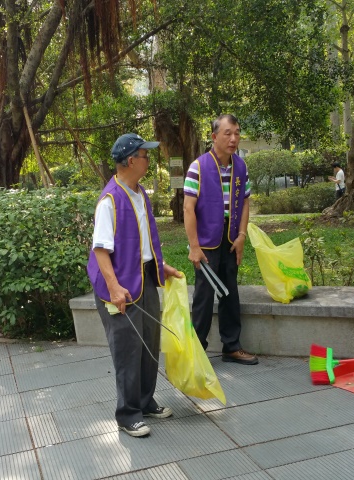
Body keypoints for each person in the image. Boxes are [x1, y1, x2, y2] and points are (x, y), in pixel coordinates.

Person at [87, 133, 182, 438]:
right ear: (131, 161)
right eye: (145, 155)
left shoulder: (140, 194)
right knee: (127, 349)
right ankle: (128, 414)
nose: (149, 160)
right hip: (118, 283)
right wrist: (114, 289)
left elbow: (143, 239)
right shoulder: (110, 200)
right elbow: (101, 250)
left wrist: (159, 265)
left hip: (144, 277)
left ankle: (145, 400)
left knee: (149, 343)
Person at [184, 114, 257, 365]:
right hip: (206, 241)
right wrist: (194, 246)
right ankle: (196, 352)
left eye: (236, 133)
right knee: (203, 296)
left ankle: (231, 346)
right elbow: (188, 208)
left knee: (230, 292)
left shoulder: (241, 166)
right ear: (214, 137)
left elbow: (245, 202)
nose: (233, 138)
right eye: (227, 133)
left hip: (231, 238)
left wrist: (241, 236)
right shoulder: (198, 166)